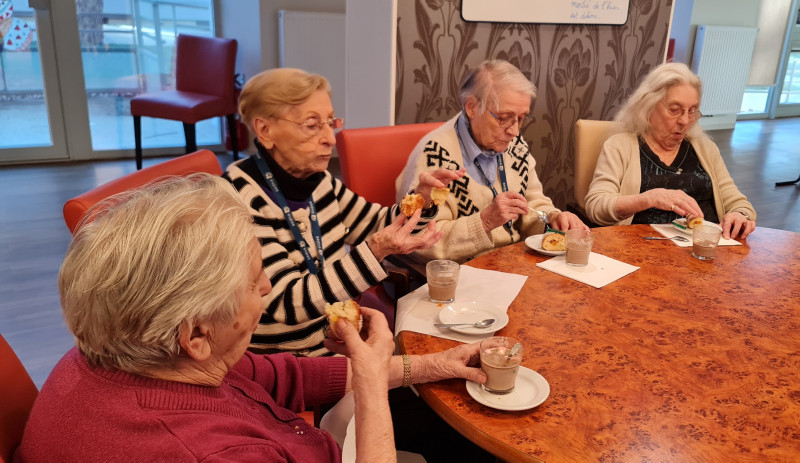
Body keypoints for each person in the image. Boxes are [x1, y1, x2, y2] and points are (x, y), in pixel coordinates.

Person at [17, 174, 489, 462]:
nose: (266, 287)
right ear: (197, 334)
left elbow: (284, 375)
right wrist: (368, 383)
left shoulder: (137, 348)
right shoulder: (207, 451)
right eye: (253, 281)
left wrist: (434, 365)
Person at [225, 68, 462, 356]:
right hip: (286, 361)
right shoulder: (236, 199)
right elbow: (287, 303)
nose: (330, 138)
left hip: (337, 339)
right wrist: (376, 251)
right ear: (265, 130)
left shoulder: (318, 181)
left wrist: (422, 201)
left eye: (330, 122)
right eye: (312, 125)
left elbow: (375, 224)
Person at [395, 59, 586, 269]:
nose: (514, 131)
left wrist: (552, 219)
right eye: (504, 118)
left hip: (513, 264)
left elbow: (532, 202)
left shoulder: (513, 144)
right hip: (459, 273)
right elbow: (422, 240)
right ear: (472, 107)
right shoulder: (435, 155)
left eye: (521, 118)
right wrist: (484, 222)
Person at [584, 62, 756, 239]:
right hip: (642, 250)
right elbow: (597, 206)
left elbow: (738, 202)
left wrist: (740, 215)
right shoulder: (620, 146)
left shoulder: (705, 148)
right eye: (675, 110)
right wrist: (649, 198)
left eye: (692, 111)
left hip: (704, 248)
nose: (685, 121)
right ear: (648, 106)